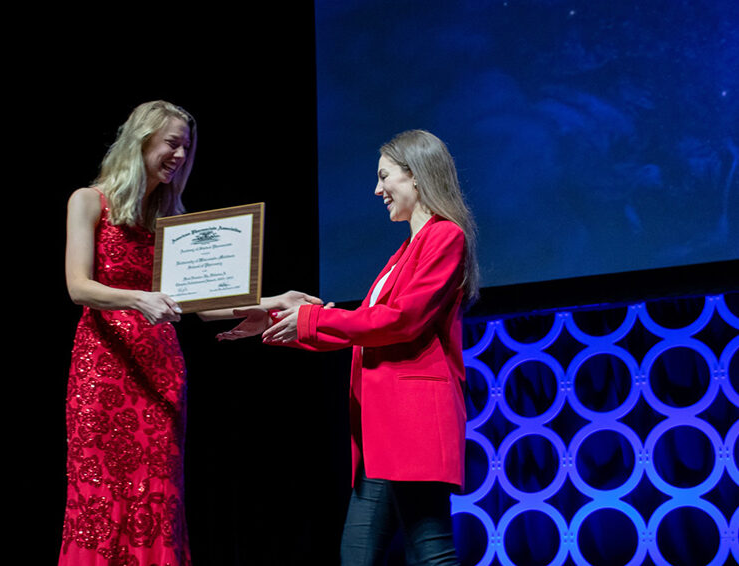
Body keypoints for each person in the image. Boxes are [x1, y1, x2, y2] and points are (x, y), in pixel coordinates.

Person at [60, 100, 322, 565]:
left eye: (187, 147)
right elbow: (78, 286)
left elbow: (203, 307)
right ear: (141, 141)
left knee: (156, 495)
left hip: (159, 372)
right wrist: (136, 298)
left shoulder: (170, 220)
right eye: (172, 143)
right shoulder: (88, 200)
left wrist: (272, 301)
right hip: (102, 370)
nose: (180, 155)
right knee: (97, 492)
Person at [220, 129, 479, 566]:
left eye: (384, 176)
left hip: (413, 423)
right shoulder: (404, 252)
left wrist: (309, 321)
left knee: (430, 552)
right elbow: (366, 327)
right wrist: (284, 321)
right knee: (358, 554)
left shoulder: (445, 237)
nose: (377, 189)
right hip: (383, 431)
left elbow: (400, 321)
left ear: (416, 176)